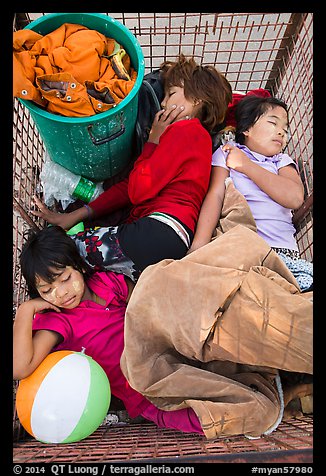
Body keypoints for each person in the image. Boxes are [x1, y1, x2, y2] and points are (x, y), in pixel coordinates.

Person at [31, 54, 233, 282]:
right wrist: (78, 214)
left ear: (197, 99)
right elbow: (131, 186)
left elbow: (138, 189)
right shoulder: (199, 141)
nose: (164, 103)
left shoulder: (186, 131)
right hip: (168, 237)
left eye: (171, 94)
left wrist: (153, 141)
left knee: (59, 254)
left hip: (158, 229)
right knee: (91, 276)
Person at [13, 225, 204, 435]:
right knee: (209, 420)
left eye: (65, 278)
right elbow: (20, 368)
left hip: (174, 359)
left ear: (80, 267)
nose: (61, 293)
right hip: (147, 397)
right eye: (47, 290)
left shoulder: (107, 282)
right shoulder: (58, 321)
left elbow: (147, 308)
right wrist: (25, 310)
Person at [188, 95, 313, 291]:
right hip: (239, 245)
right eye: (273, 123)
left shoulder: (280, 161)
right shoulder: (227, 152)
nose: (281, 132)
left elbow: (294, 198)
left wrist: (246, 166)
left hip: (281, 253)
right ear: (246, 129)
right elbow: (216, 196)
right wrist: (199, 244)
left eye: (285, 128)